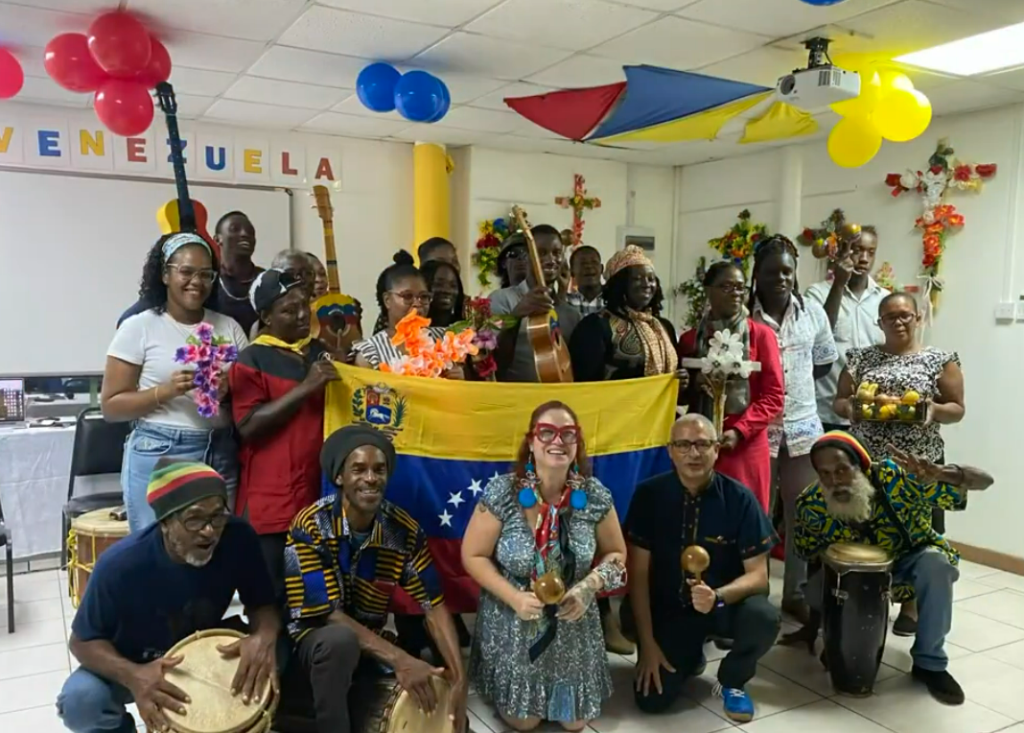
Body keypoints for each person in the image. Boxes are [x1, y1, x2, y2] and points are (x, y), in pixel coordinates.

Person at [56, 460, 279, 733]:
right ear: (165, 521)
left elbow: (262, 605)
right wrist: (135, 676)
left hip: (200, 653)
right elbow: (81, 642)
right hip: (131, 660)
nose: (209, 531)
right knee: (81, 701)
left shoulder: (238, 537)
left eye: (217, 516)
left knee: (276, 651)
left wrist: (261, 638)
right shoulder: (120, 565)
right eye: (194, 519)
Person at [283, 425, 468, 733]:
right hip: (312, 641)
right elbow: (327, 615)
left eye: (379, 469)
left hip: (370, 644)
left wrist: (459, 680)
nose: (371, 478)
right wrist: (400, 660)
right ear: (340, 477)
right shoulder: (310, 525)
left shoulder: (403, 530)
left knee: (445, 716)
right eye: (359, 469)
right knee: (340, 643)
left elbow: (432, 604)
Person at [792, 432, 993, 704]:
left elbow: (985, 481)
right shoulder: (811, 504)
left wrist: (944, 473)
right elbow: (810, 558)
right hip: (853, 576)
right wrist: (820, 627)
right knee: (814, 590)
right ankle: (843, 646)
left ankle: (929, 664)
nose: (835, 480)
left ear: (860, 466)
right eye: (825, 473)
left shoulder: (896, 477)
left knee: (937, 565)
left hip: (909, 564)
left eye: (842, 470)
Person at [463, 401, 626, 731]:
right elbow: (473, 555)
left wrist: (588, 587)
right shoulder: (503, 492)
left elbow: (617, 555)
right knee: (524, 723)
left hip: (574, 619)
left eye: (569, 434)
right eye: (547, 432)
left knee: (575, 723)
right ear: (531, 443)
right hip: (515, 617)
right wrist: (514, 598)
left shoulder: (594, 495)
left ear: (577, 444)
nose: (558, 441)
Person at [627, 414, 778, 722]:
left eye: (702, 444)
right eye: (683, 445)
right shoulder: (649, 495)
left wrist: (718, 596)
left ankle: (733, 680)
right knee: (651, 701)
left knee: (763, 616)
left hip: (723, 606)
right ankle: (689, 653)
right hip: (671, 608)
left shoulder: (739, 499)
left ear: (717, 449)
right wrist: (648, 645)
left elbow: (759, 577)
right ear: (670, 451)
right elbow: (638, 576)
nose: (693, 454)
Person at [832, 291, 965, 634]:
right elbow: (840, 401)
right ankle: (871, 596)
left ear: (918, 317)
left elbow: (957, 408)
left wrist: (932, 410)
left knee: (922, 534)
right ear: (880, 323)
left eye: (905, 315)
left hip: (920, 465)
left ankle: (912, 606)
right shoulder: (861, 358)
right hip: (869, 464)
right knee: (870, 529)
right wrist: (852, 408)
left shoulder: (940, 359)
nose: (899, 321)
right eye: (890, 317)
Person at [102, 232, 249, 532]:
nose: (197, 281)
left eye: (206, 274)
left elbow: (250, 394)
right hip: (160, 452)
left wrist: (229, 389)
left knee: (215, 551)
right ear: (165, 274)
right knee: (157, 555)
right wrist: (165, 391)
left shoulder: (229, 327)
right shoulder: (139, 327)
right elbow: (111, 407)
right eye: (186, 271)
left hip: (221, 451)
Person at [229, 269, 340, 602]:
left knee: (314, 595)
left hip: (315, 496)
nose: (303, 315)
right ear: (265, 317)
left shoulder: (317, 352)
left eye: (305, 305)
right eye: (289, 311)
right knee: (273, 597)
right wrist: (306, 388)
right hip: (271, 502)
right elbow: (247, 425)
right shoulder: (251, 359)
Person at [749, 235, 838, 623]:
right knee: (757, 514)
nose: (781, 278)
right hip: (757, 431)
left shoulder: (813, 312)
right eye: (772, 272)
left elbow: (824, 362)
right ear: (758, 274)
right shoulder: (744, 315)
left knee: (802, 512)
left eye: (787, 270)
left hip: (803, 428)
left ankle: (796, 593)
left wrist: (793, 389)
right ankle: (755, 592)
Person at [679, 261, 784, 513]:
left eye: (740, 287)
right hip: (700, 443)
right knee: (702, 516)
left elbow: (774, 395)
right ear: (708, 290)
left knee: (745, 518)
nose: (736, 293)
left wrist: (740, 430)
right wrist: (687, 383)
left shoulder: (761, 335)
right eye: (726, 287)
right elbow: (683, 397)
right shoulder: (690, 339)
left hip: (744, 444)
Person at [805, 226, 888, 432]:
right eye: (857, 250)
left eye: (871, 252)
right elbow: (817, 340)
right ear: (842, 250)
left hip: (874, 416)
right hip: (827, 413)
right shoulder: (816, 294)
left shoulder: (885, 299)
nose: (864, 258)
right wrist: (839, 285)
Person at [569, 245, 679, 383]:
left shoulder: (663, 327)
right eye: (637, 278)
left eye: (651, 279)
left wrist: (680, 382)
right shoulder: (595, 326)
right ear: (620, 284)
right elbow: (586, 384)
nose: (646, 284)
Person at [489, 225, 581, 382]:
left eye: (557, 253)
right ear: (527, 257)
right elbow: (494, 361)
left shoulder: (572, 314)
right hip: (517, 400)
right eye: (541, 253)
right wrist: (517, 315)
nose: (551, 260)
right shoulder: (502, 299)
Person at [353, 252, 462, 378]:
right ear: (387, 300)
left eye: (424, 297)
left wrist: (460, 379)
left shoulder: (444, 339)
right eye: (407, 296)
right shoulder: (370, 353)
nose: (417, 303)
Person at [215, 211, 265, 335]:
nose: (244, 234)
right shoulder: (208, 280)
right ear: (217, 239)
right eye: (235, 229)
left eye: (250, 232)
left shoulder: (267, 280)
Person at [422, 258, 465, 328]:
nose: (447, 291)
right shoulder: (414, 330)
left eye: (453, 286)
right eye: (439, 284)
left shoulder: (465, 330)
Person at [566, 245, 604, 316]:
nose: (589, 266)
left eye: (594, 262)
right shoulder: (567, 302)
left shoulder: (614, 302)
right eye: (583, 263)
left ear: (601, 269)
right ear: (572, 272)